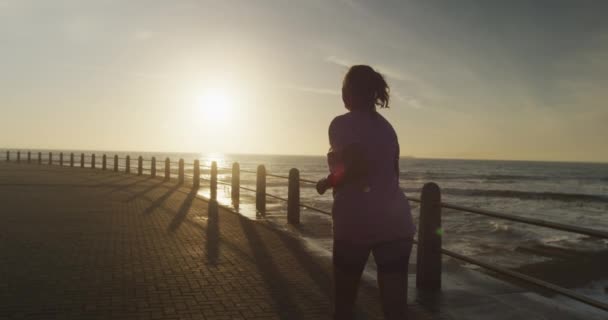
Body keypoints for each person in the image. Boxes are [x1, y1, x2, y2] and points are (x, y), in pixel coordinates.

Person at [316, 65, 416, 320]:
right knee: (395, 311)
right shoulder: (387, 128)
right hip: (396, 222)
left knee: (345, 306)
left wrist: (328, 181)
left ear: (350, 92)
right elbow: (391, 174)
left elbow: (356, 165)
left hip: (355, 221)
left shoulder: (341, 124)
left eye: (343, 89)